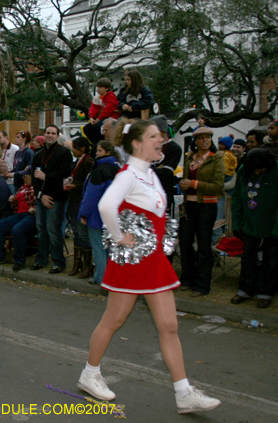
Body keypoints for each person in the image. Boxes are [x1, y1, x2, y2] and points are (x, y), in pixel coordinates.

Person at [77, 120, 221, 414]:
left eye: (161, 136)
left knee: (169, 325)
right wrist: (120, 237)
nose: (162, 141)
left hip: (153, 259)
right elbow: (106, 206)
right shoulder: (128, 175)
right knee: (113, 321)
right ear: (137, 143)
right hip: (133, 263)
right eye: (155, 136)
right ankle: (90, 375)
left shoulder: (151, 174)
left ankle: (184, 393)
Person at [230, 148, 278, 309]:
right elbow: (237, 197)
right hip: (250, 223)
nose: (258, 171)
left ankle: (266, 293)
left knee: (270, 260)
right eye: (255, 169)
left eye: (261, 168)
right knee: (248, 258)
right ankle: (245, 290)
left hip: (273, 223)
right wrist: (237, 224)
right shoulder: (245, 169)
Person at [178, 127, 225, 297]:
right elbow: (186, 180)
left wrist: (194, 184)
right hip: (188, 205)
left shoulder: (216, 160)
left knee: (203, 245)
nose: (205, 141)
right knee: (185, 242)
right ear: (195, 141)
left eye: (208, 138)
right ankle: (187, 279)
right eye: (201, 138)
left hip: (206, 206)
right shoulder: (190, 158)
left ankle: (201, 284)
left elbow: (218, 187)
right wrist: (184, 184)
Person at [30, 125, 73, 273]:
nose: (50, 135)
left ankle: (58, 261)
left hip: (57, 198)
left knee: (53, 231)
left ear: (57, 135)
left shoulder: (64, 152)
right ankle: (41, 259)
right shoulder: (37, 155)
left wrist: (46, 177)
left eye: (53, 133)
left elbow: (65, 173)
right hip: (41, 198)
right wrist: (41, 196)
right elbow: (34, 180)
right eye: (47, 133)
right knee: (41, 230)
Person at [79, 141, 120, 284]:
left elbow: (91, 196)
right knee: (110, 249)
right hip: (114, 215)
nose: (96, 153)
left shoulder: (99, 171)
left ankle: (102, 278)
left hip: (97, 216)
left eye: (100, 151)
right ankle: (112, 277)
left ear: (108, 153)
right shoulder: (119, 170)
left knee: (98, 248)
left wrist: (83, 214)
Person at [0, 173, 37, 271]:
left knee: (17, 230)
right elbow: (16, 205)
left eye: (26, 175)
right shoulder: (22, 187)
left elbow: (39, 203)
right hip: (18, 214)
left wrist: (35, 209)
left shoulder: (36, 187)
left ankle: (19, 260)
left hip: (31, 215)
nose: (23, 177)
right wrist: (13, 200)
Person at [65, 137, 94, 277]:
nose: (73, 150)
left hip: (80, 200)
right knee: (76, 233)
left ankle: (87, 265)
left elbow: (88, 183)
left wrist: (75, 186)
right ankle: (78, 264)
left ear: (82, 148)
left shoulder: (88, 161)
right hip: (74, 200)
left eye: (75, 148)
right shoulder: (77, 161)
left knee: (82, 233)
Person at [151, 116, 182, 219]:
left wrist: (146, 169)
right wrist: (157, 169)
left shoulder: (174, 148)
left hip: (163, 195)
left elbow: (166, 173)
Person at [84, 77, 119, 145]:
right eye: (98, 87)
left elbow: (108, 110)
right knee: (87, 128)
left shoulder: (111, 97)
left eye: (100, 87)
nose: (98, 89)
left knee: (98, 126)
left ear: (107, 88)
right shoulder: (97, 98)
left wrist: (99, 118)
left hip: (110, 118)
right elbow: (93, 108)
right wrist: (91, 117)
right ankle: (96, 143)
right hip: (100, 118)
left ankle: (102, 143)